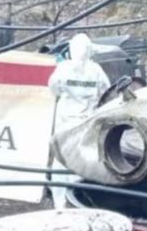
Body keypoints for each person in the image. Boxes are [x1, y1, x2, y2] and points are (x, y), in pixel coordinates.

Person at [47, 33, 110, 208]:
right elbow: (106, 91)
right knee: (84, 158)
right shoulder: (96, 70)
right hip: (86, 121)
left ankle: (60, 204)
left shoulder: (64, 68)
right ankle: (80, 200)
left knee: (61, 160)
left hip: (65, 121)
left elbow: (53, 88)